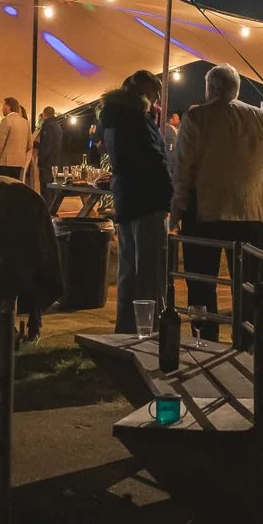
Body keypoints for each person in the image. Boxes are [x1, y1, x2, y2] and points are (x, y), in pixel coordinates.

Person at [174, 66, 263, 343]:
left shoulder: (197, 116)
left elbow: (182, 168)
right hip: (250, 211)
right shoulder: (260, 116)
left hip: (206, 211)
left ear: (211, 88)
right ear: (236, 89)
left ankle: (205, 340)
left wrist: (176, 209)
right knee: (247, 285)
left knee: (202, 282)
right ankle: (245, 343)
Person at [98, 70, 173, 335]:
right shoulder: (136, 119)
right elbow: (154, 160)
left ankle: (126, 328)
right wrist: (169, 197)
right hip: (148, 199)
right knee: (150, 272)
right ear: (144, 92)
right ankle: (149, 331)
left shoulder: (113, 117)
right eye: (154, 95)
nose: (156, 102)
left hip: (127, 199)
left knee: (128, 270)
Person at [0, 97, 33, 181]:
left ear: (8, 106)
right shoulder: (26, 123)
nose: (2, 109)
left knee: (1, 188)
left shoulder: (6, 120)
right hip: (19, 163)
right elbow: (30, 144)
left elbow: (0, 143)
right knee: (13, 188)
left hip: (5, 162)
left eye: (3, 106)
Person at [35, 104, 67, 191]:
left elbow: (46, 145)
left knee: (46, 188)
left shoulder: (47, 126)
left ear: (44, 114)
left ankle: (46, 204)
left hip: (47, 164)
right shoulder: (58, 126)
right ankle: (52, 204)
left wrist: (41, 160)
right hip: (56, 161)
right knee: (52, 187)